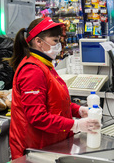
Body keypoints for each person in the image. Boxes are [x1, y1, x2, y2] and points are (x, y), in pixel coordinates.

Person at [7, 17, 100, 160]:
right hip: (34, 150)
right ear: (38, 41)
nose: (59, 46)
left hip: (50, 145)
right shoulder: (32, 71)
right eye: (55, 41)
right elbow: (37, 117)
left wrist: (78, 110)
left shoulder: (44, 65)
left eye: (59, 41)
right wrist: (75, 125)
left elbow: (54, 101)